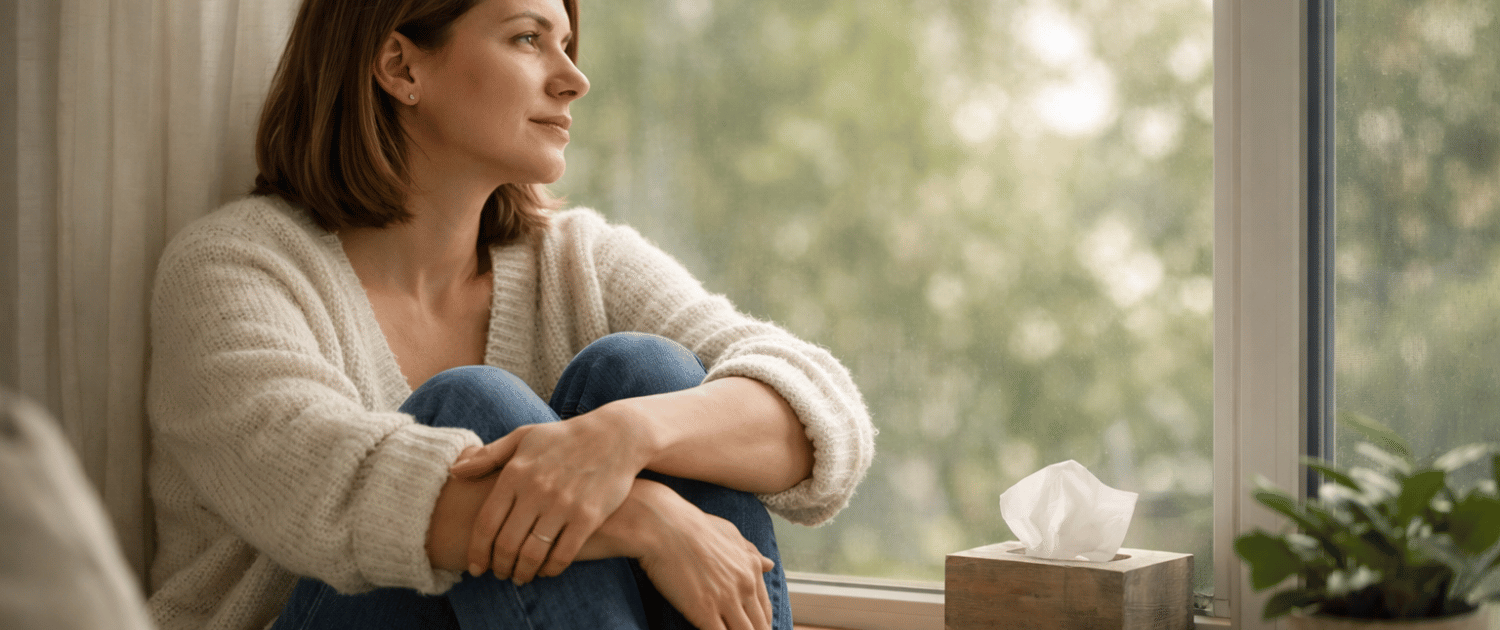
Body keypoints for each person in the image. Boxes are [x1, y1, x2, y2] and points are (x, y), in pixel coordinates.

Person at [144, 0, 875, 628]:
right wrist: (645, 516)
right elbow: (340, 489)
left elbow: (823, 416)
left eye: (567, 43)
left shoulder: (575, 258)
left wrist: (626, 437)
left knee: (646, 372)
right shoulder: (232, 271)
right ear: (400, 66)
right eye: (528, 38)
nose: (574, 78)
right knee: (476, 405)